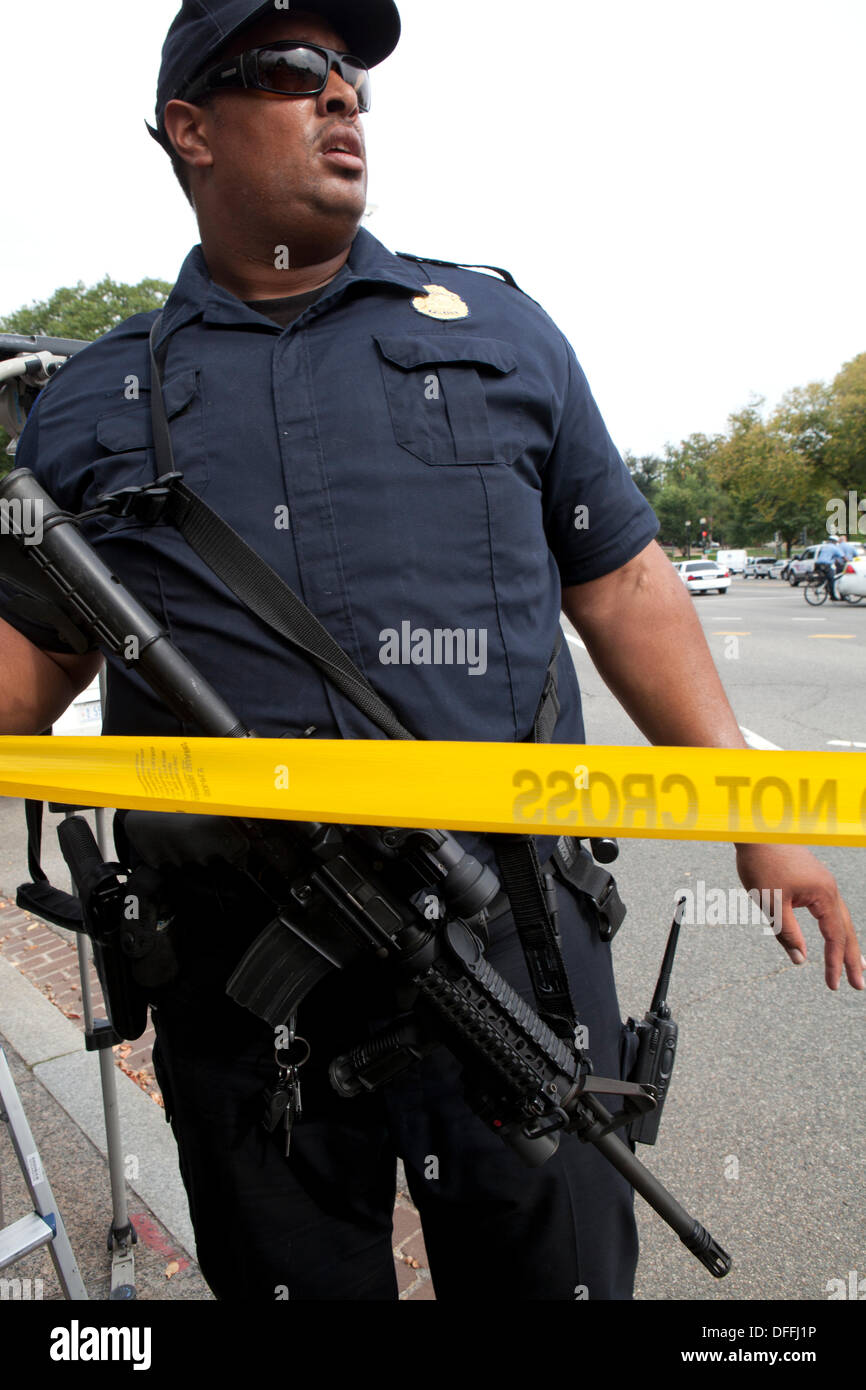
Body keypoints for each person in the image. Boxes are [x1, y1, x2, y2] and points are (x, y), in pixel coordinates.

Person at [0, 0, 862, 1302]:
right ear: (193, 129)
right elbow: (25, 664)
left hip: (505, 943)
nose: (341, 93)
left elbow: (623, 582)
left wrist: (755, 809)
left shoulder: (500, 333)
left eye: (349, 73)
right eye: (295, 71)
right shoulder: (91, 402)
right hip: (240, 980)